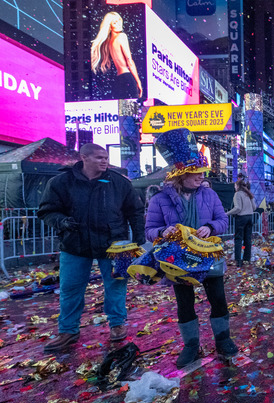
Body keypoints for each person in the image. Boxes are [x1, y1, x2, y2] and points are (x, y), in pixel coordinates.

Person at [38, 143, 145, 352]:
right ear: (84, 158)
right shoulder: (61, 182)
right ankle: (68, 330)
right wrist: (62, 222)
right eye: (99, 157)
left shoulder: (119, 183)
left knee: (116, 285)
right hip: (75, 244)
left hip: (115, 244)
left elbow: (135, 210)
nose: (104, 161)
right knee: (70, 288)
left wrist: (139, 238)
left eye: (105, 157)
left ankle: (117, 324)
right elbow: (47, 211)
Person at [144, 129, 237, 368]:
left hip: (208, 255)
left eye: (201, 172)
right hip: (178, 260)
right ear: (181, 175)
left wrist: (210, 227)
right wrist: (162, 232)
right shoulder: (159, 200)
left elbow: (222, 220)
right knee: (184, 304)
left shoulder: (209, 194)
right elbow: (150, 229)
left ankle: (223, 339)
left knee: (218, 299)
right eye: (195, 172)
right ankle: (191, 345)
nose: (200, 176)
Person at [91, 12, 143, 99]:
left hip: (118, 80)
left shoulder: (109, 42)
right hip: (127, 78)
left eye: (119, 20)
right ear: (110, 26)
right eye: (114, 22)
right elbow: (129, 61)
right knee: (132, 109)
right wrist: (138, 82)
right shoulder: (122, 36)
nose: (119, 24)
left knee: (122, 110)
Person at [226, 179, 256, 267]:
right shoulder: (249, 194)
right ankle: (247, 259)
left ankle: (238, 260)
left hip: (241, 218)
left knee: (238, 239)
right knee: (248, 239)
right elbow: (254, 207)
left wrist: (227, 213)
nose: (234, 187)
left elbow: (238, 208)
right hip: (250, 217)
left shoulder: (237, 194)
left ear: (238, 186)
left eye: (235, 185)